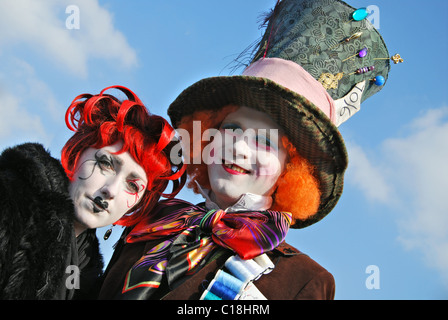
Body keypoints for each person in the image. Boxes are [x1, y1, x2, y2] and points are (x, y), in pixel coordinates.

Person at [98, 0, 400, 300]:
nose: (239, 147)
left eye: (265, 141)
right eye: (231, 129)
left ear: (293, 169)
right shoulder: (151, 221)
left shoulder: (305, 282)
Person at [0, 85, 185, 299]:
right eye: (106, 164)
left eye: (133, 186)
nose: (111, 190)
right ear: (77, 153)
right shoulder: (11, 200)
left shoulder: (90, 270)